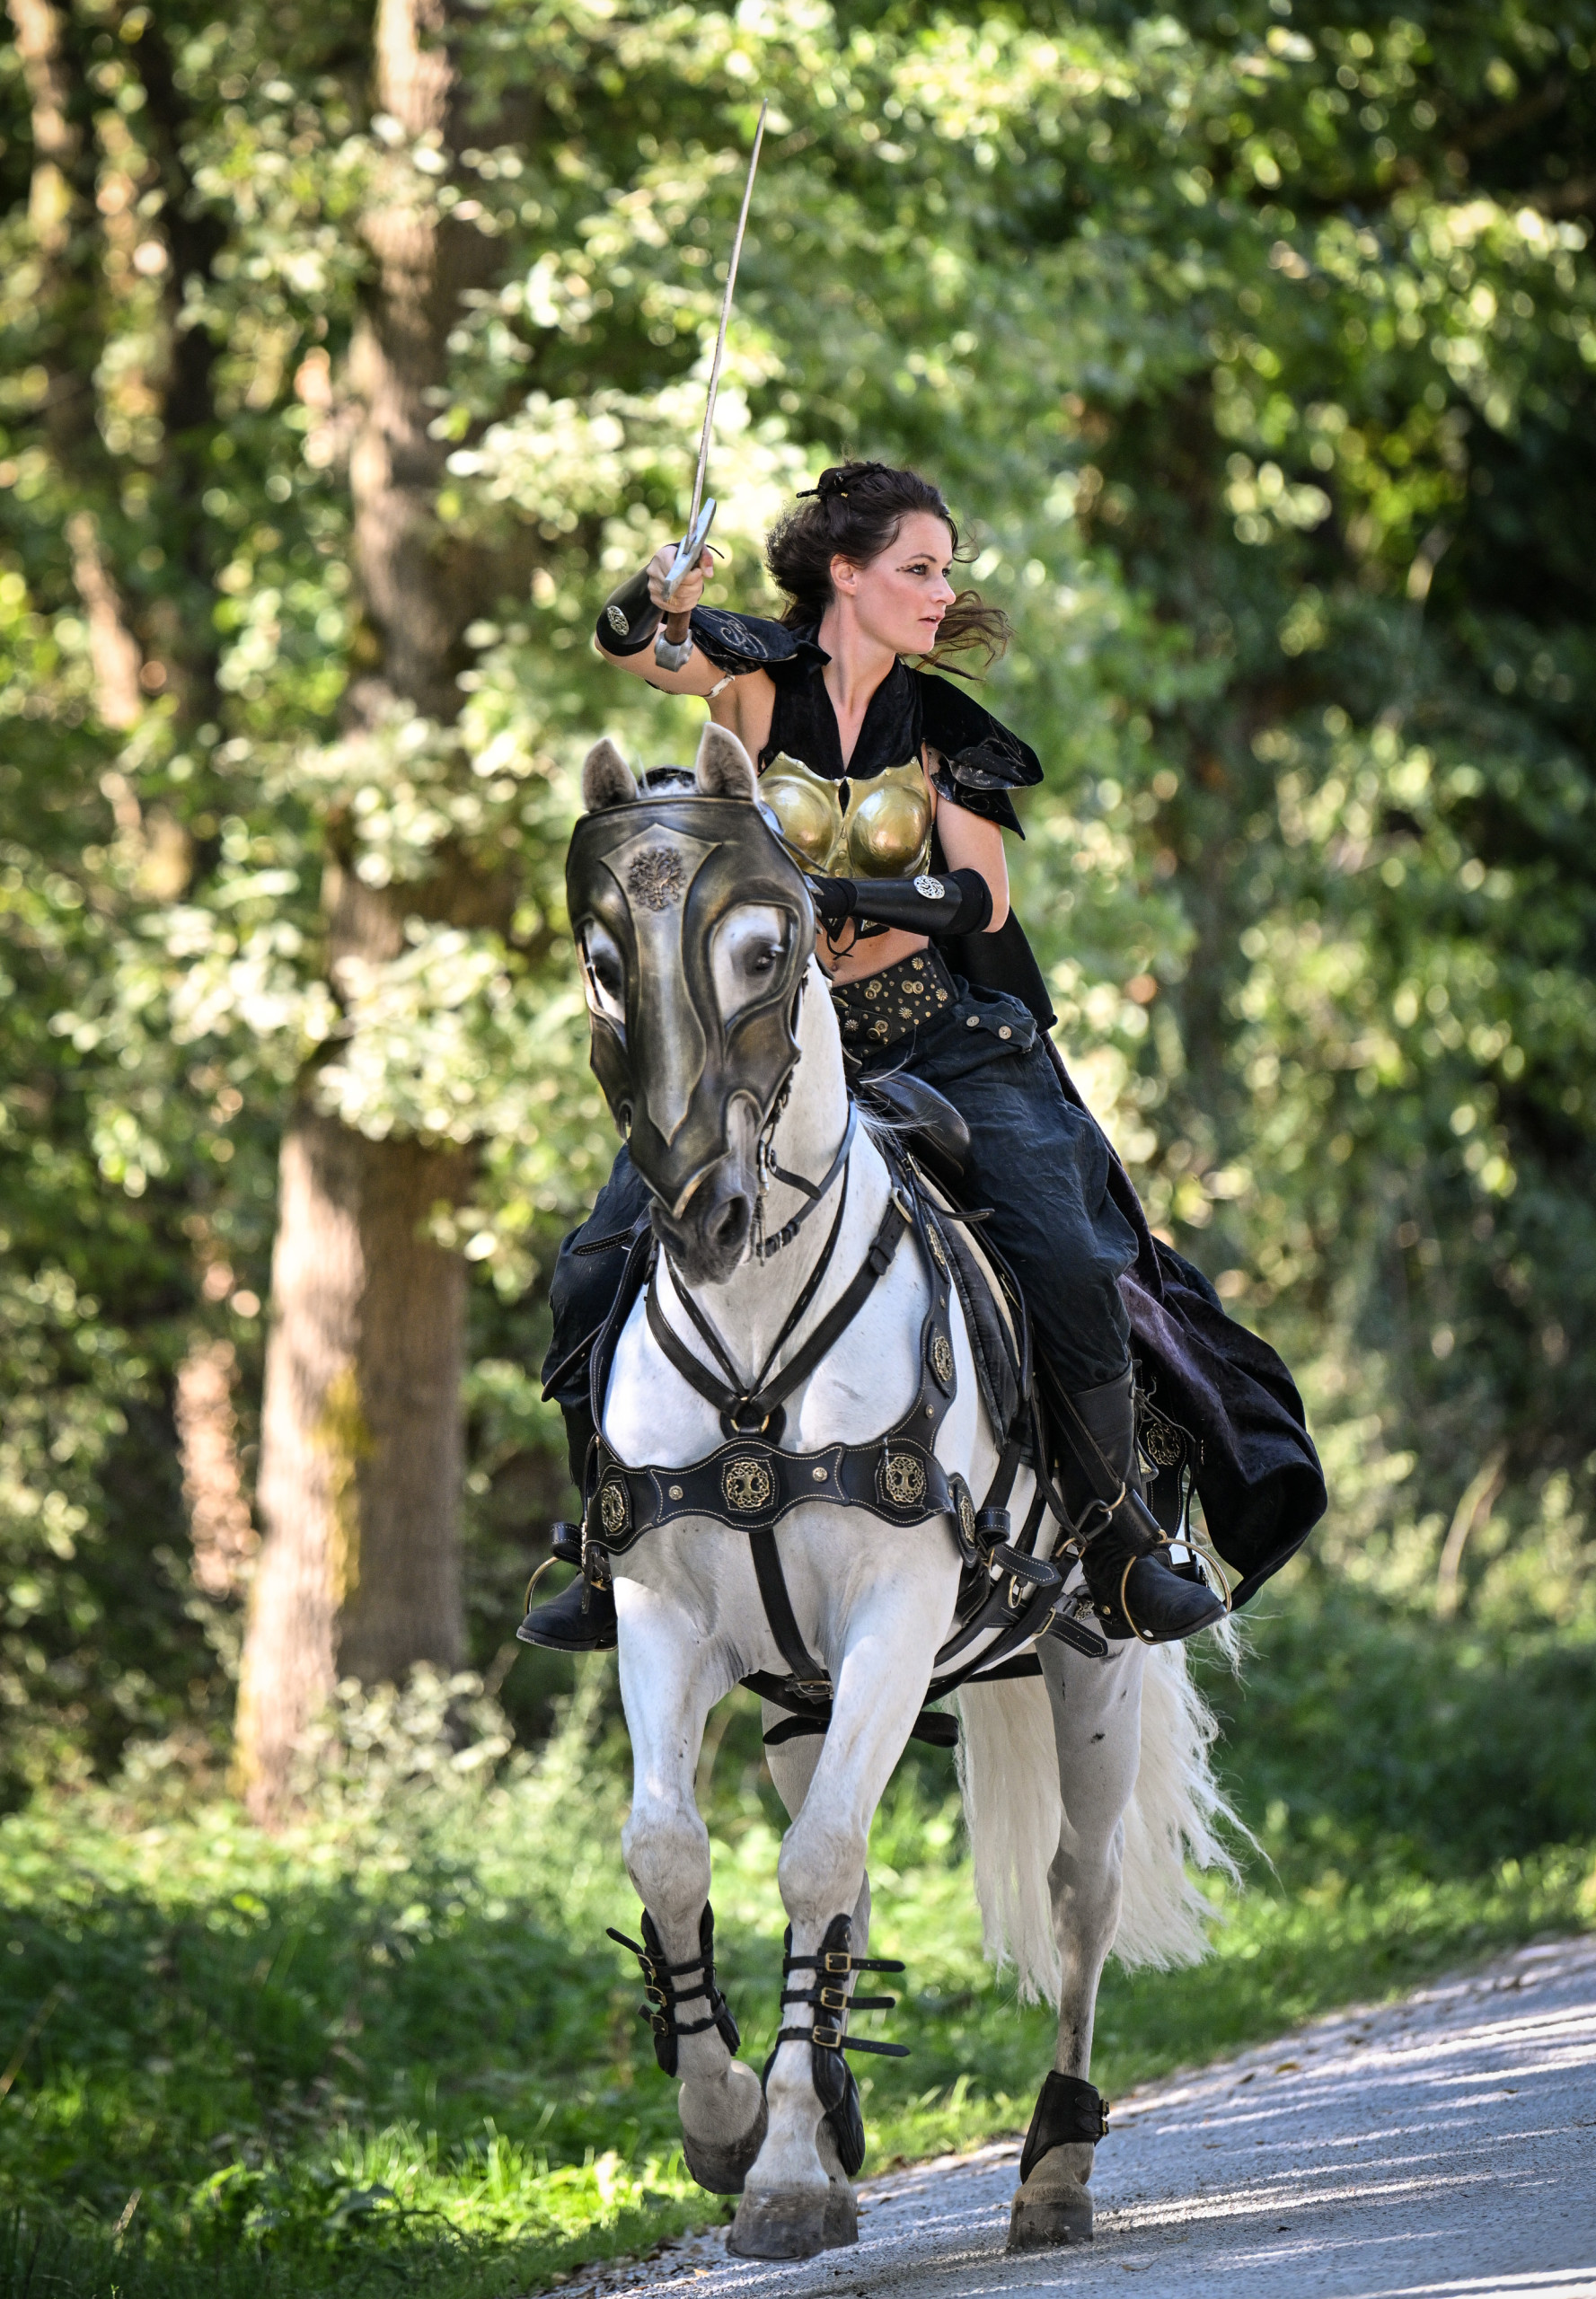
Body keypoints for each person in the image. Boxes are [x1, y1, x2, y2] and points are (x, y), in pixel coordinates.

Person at [524, 461, 1223, 1652]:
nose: (943, 593)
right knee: (594, 1264)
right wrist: (659, 592)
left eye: (946, 572)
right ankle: (606, 1540)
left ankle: (1117, 1543)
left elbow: (982, 900)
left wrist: (838, 894)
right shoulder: (753, 679)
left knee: (1063, 1255)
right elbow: (636, 647)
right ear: (845, 576)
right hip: (764, 1049)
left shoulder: (950, 733)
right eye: (919, 568)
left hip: (940, 1038)